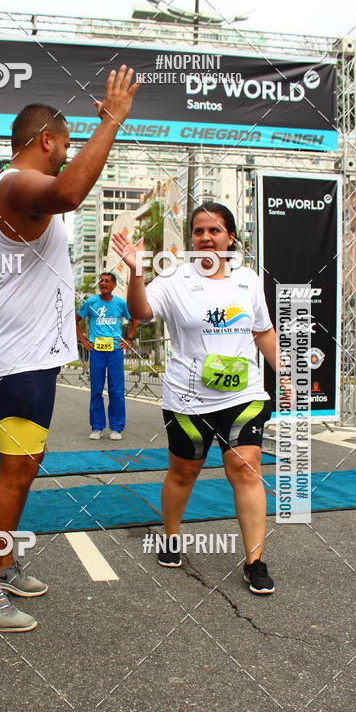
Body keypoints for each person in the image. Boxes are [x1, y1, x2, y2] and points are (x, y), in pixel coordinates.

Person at [0, 67, 141, 632]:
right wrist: (111, 120)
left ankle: (2, 560)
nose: (67, 154)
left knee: (27, 463)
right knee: (15, 469)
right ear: (45, 139)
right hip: (21, 358)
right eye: (65, 144)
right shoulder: (17, 184)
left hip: (23, 352)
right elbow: (68, 191)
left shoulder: (11, 193)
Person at [113, 202, 282, 595]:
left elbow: (262, 331)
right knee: (184, 473)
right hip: (187, 399)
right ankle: (171, 537)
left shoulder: (249, 280)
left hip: (244, 393)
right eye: (199, 231)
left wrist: (286, 371)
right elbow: (141, 310)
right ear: (191, 238)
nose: (206, 238)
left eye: (215, 230)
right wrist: (136, 272)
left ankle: (254, 561)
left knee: (246, 468)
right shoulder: (173, 279)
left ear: (231, 237)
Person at [76, 271, 139, 440]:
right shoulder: (90, 302)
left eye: (107, 281)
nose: (103, 283)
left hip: (115, 351)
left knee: (116, 390)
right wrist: (82, 339)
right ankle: (97, 427)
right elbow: (75, 319)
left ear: (113, 285)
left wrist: (129, 339)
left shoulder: (120, 303)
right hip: (96, 351)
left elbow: (135, 319)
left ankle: (116, 428)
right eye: (101, 281)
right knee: (96, 389)